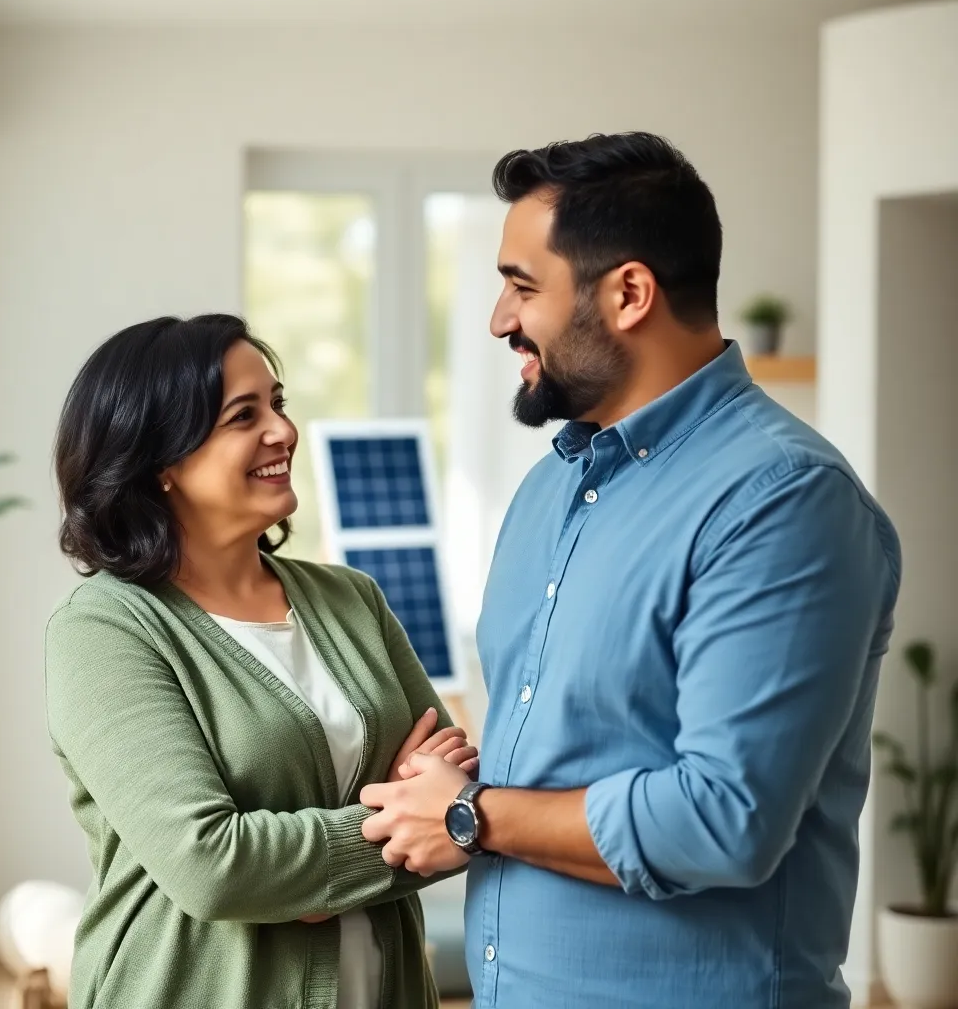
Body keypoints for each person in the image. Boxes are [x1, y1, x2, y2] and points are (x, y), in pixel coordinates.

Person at [359, 132, 902, 1008]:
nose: (499, 319)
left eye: (522, 286)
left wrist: (473, 813)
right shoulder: (550, 489)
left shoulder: (784, 500)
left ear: (629, 293)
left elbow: (725, 820)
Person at [45, 314, 477, 1009]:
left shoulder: (351, 599)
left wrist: (303, 879)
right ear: (161, 464)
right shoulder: (103, 631)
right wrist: (402, 828)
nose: (282, 430)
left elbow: (457, 790)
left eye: (276, 403)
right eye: (242, 416)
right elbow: (211, 867)